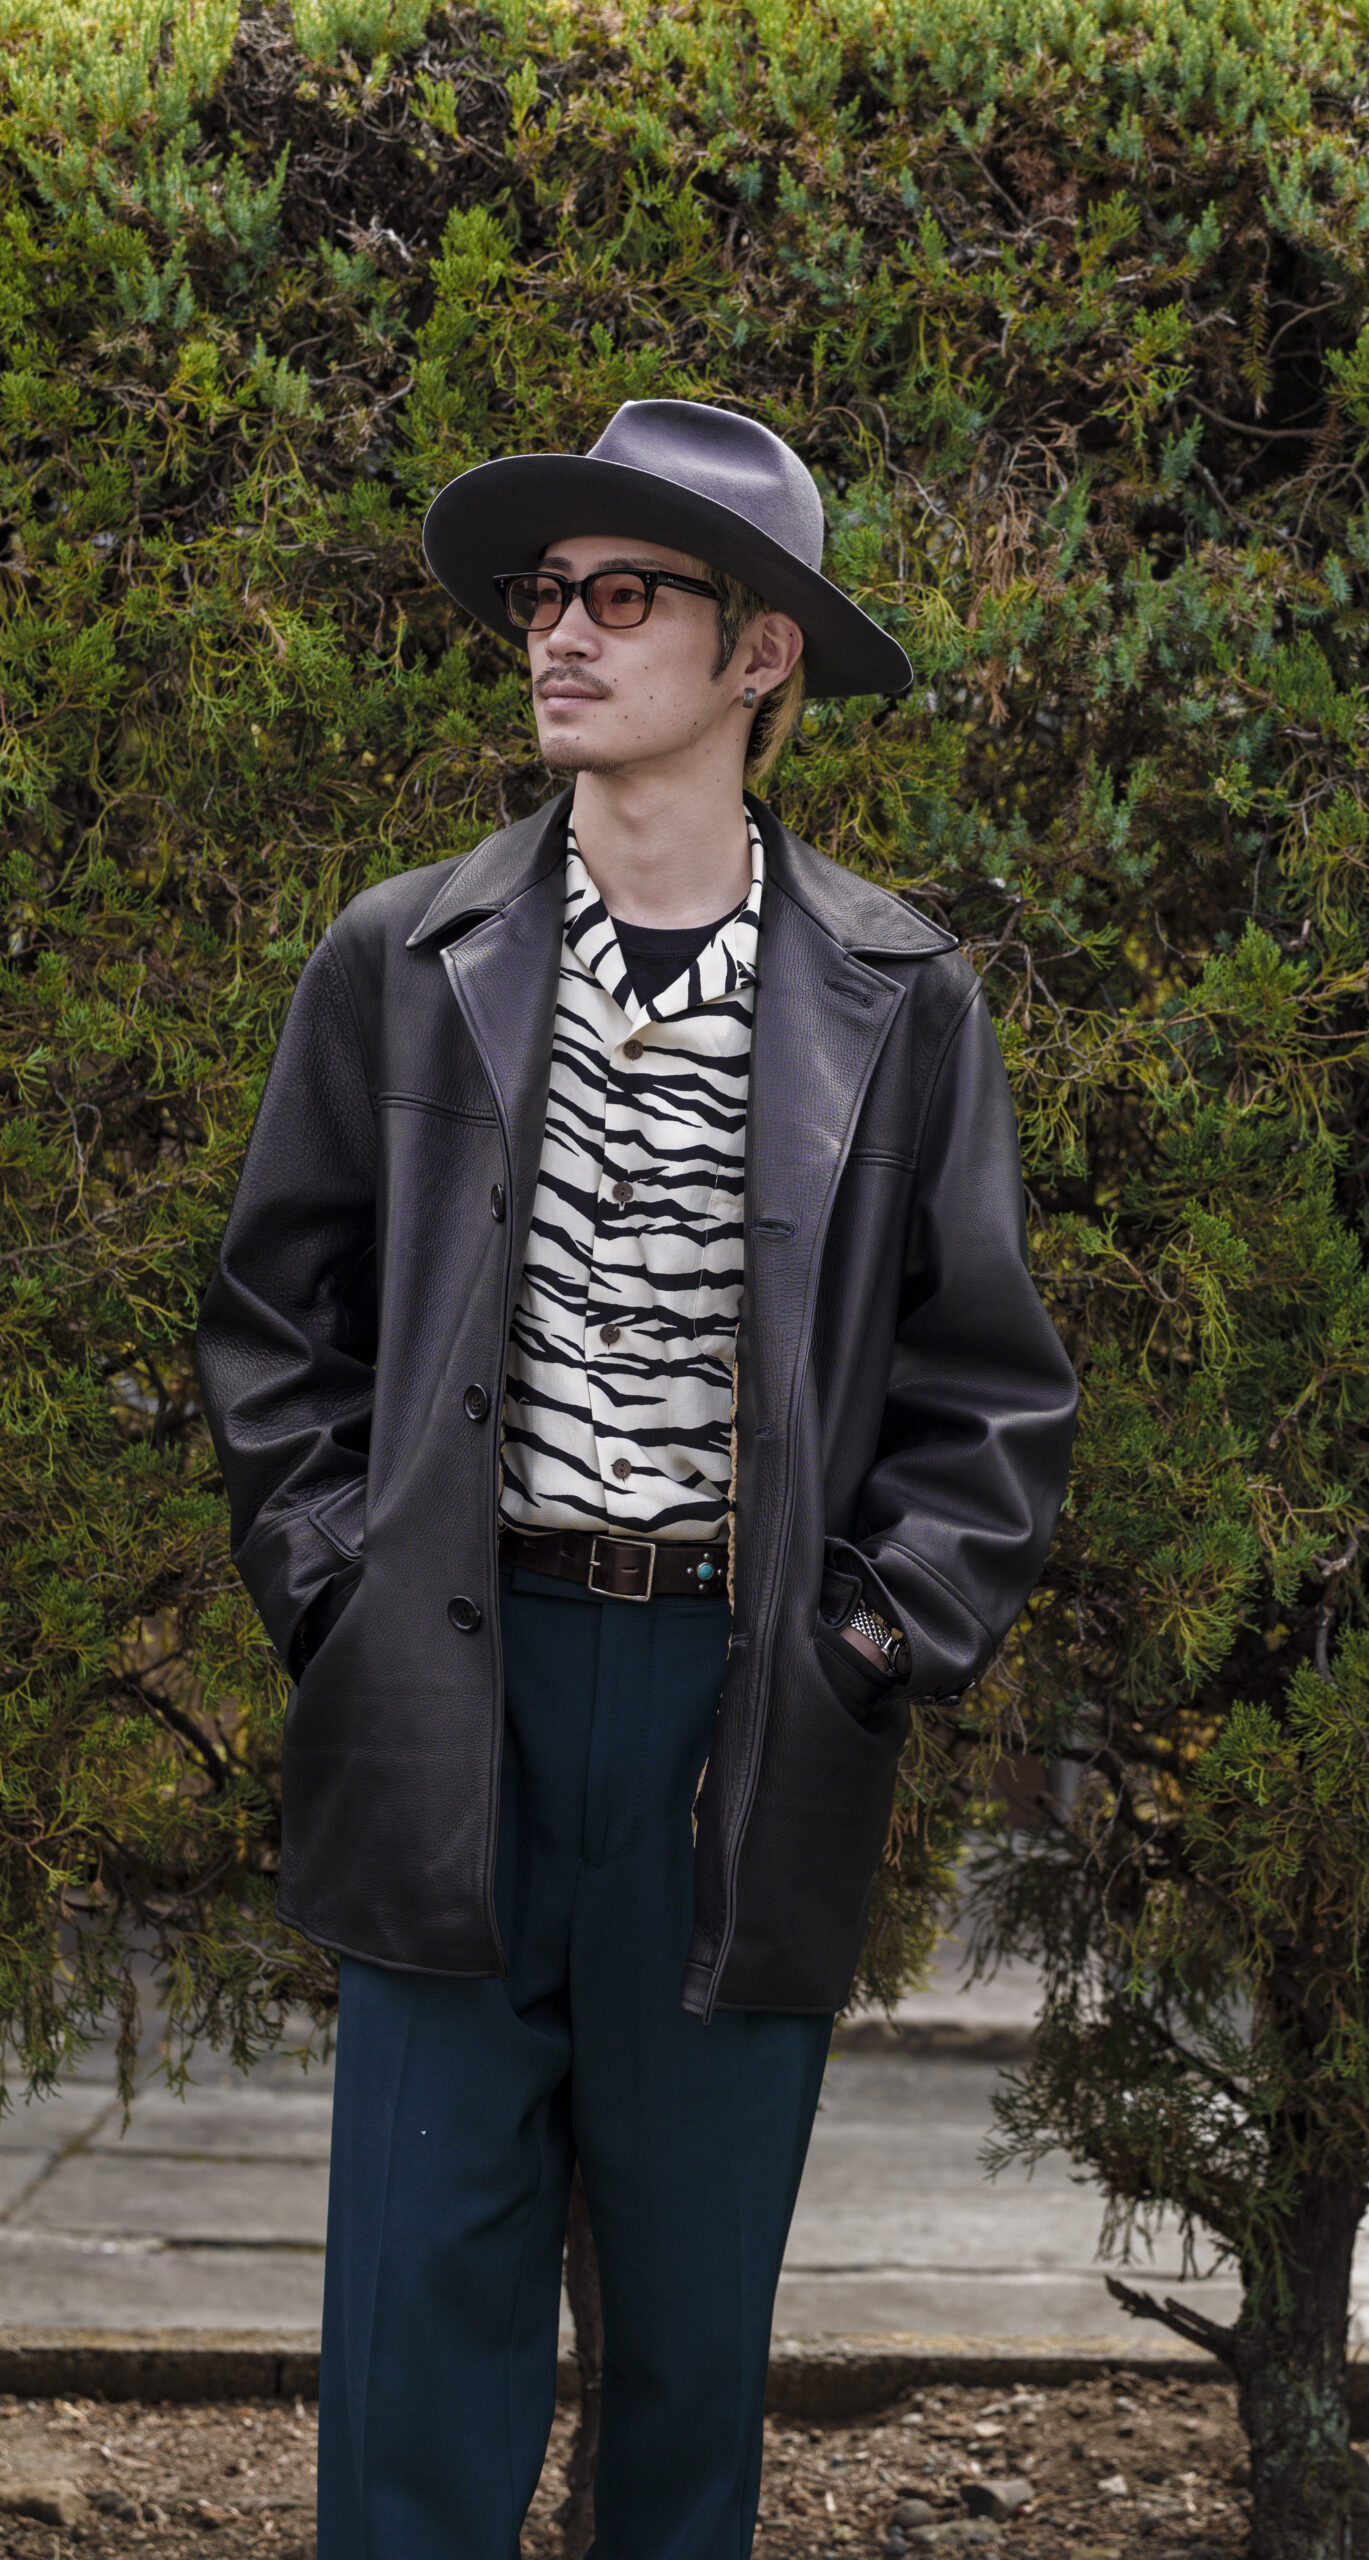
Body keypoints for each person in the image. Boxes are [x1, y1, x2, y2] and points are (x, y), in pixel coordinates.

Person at [195, 397, 1079, 2560]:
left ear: (757, 652)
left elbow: (989, 1391)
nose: (557, 635)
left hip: (735, 1721)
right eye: (543, 593)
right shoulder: (402, 958)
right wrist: (341, 1594)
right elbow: (272, 1324)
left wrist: (864, 1644)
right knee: (412, 2352)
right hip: (445, 1694)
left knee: (688, 2378)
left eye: (620, 595)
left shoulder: (898, 998)